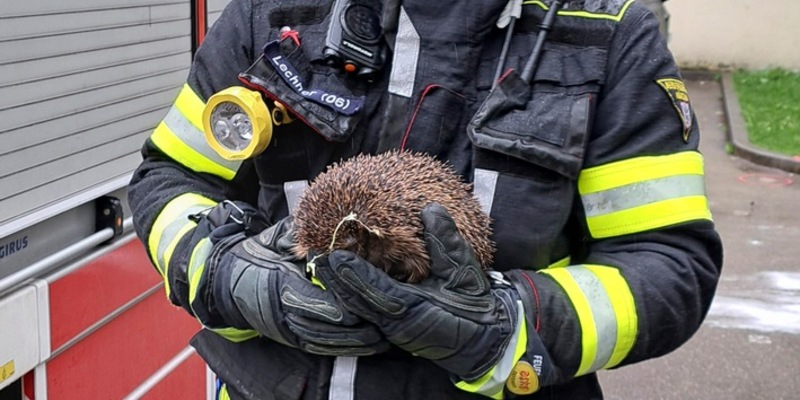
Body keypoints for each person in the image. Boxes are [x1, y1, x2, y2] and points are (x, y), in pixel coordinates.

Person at [128, 0, 723, 399]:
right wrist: (227, 274)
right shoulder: (273, 12)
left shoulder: (608, 36)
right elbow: (170, 177)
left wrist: (508, 323)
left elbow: (669, 265)